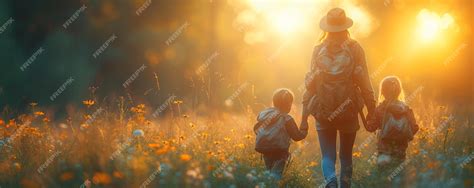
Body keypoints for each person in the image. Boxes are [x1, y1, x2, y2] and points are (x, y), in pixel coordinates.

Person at [302, 7, 376, 188]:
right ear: (345, 26)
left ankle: (331, 182)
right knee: (346, 156)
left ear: (326, 28)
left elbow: (310, 85)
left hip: (323, 108)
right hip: (348, 109)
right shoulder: (355, 48)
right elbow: (365, 82)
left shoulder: (318, 48)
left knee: (327, 155)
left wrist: (303, 118)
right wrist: (371, 110)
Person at [366, 76, 419, 186]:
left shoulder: (380, 109)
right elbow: (414, 128)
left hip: (383, 151)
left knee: (383, 178)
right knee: (399, 178)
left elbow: (370, 128)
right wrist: (401, 134)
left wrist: (367, 117)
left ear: (383, 92)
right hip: (401, 150)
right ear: (399, 90)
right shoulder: (406, 108)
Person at [254, 88, 309, 180]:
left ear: (274, 102)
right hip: (280, 152)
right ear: (289, 104)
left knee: (269, 172)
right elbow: (297, 136)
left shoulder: (265, 115)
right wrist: (304, 127)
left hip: (265, 150)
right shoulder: (287, 119)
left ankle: (268, 185)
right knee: (276, 174)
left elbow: (256, 130)